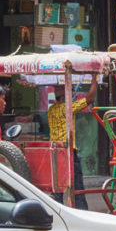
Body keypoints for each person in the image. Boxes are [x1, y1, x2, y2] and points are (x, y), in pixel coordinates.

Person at [48, 75, 98, 210]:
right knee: (77, 188)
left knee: (57, 188)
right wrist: (95, 80)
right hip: (67, 152)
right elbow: (90, 99)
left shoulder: (51, 110)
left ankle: (56, 211)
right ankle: (82, 213)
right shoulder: (66, 108)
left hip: (55, 152)